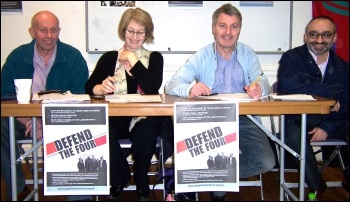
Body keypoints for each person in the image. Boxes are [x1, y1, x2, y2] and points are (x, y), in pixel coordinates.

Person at [165, 3, 275, 201]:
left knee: (266, 161)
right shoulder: (203, 55)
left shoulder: (248, 53)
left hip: (244, 117)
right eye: (223, 26)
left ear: (239, 29)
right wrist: (190, 89)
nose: (228, 32)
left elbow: (264, 81)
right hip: (211, 118)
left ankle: (208, 176)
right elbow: (171, 85)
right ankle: (217, 191)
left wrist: (260, 88)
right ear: (214, 28)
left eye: (234, 26)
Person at [85, 7, 173, 201]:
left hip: (146, 116)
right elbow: (89, 86)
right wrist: (99, 88)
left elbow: (151, 87)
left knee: (146, 131)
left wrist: (133, 59)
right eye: (130, 31)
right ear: (123, 31)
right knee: (99, 128)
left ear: (147, 34)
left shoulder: (154, 57)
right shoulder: (109, 57)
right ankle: (120, 176)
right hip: (118, 117)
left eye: (140, 32)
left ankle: (142, 179)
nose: (134, 37)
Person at [0, 11, 90, 201]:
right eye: (43, 30)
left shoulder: (73, 57)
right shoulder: (17, 57)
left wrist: (48, 121)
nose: (49, 36)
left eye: (53, 30)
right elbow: (5, 96)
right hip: (24, 120)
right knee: (1, 126)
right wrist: (28, 120)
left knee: (85, 125)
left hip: (63, 119)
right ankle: (17, 188)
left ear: (59, 31)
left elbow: (81, 97)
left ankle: (79, 195)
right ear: (32, 31)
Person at [276, 16, 349, 200]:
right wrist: (327, 92)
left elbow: (347, 103)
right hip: (301, 117)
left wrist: (327, 127)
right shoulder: (291, 58)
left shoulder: (343, 67)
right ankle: (315, 183)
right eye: (314, 34)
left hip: (334, 120)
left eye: (325, 35)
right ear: (305, 37)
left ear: (334, 37)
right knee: (291, 134)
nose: (319, 40)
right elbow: (287, 85)